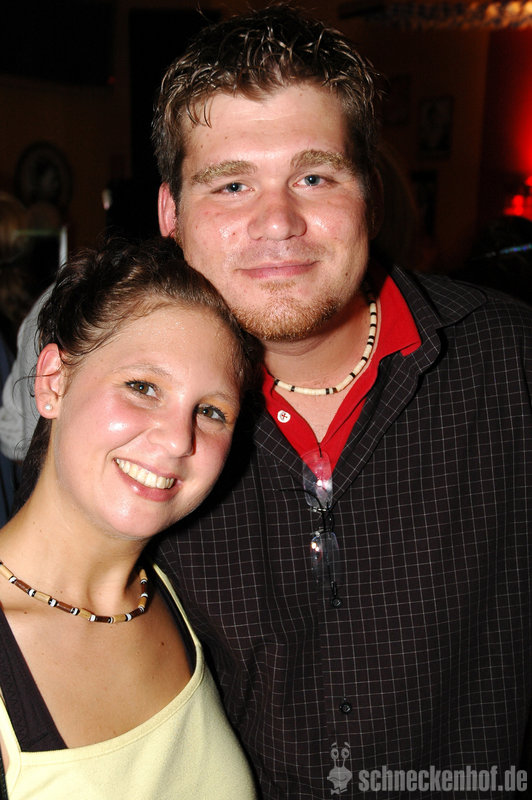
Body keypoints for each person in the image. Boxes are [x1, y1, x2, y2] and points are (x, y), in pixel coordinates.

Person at [151, 6, 532, 799]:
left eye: (315, 177)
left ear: (371, 196)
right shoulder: (126, 419)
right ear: (171, 215)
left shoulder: (514, 365)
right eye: (231, 184)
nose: (277, 222)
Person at [0, 236, 257, 799]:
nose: (178, 440)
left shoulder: (177, 595)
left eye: (211, 411)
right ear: (53, 382)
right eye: (142, 387)